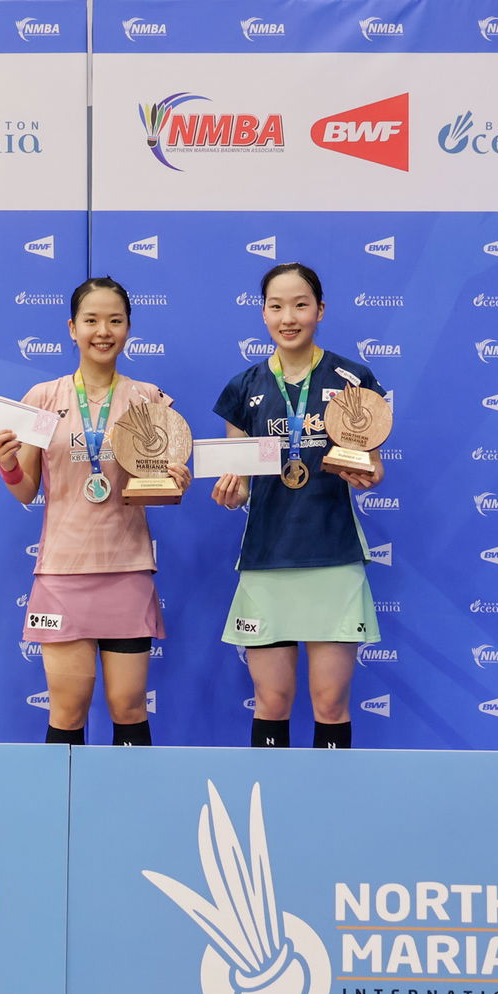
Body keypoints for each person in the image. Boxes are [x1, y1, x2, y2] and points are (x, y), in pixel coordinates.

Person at [0, 277, 191, 745]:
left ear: (128, 328)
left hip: (126, 568)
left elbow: (153, 487)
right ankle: (62, 818)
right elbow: (26, 490)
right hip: (62, 573)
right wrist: (7, 465)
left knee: (128, 707)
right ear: (71, 328)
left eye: (115, 321)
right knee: (68, 709)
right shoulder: (43, 398)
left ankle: (133, 813)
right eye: (92, 320)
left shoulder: (147, 399)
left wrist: (172, 482)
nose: (103, 331)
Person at [209, 263, 386, 749]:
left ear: (320, 311)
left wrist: (365, 473)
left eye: (301, 305)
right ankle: (273, 815)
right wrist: (231, 491)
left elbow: (373, 469)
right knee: (273, 701)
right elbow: (241, 482)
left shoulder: (353, 379)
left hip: (333, 556)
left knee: (330, 702)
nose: (289, 317)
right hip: (267, 560)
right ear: (263, 313)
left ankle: (328, 815)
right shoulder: (243, 388)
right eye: (276, 306)